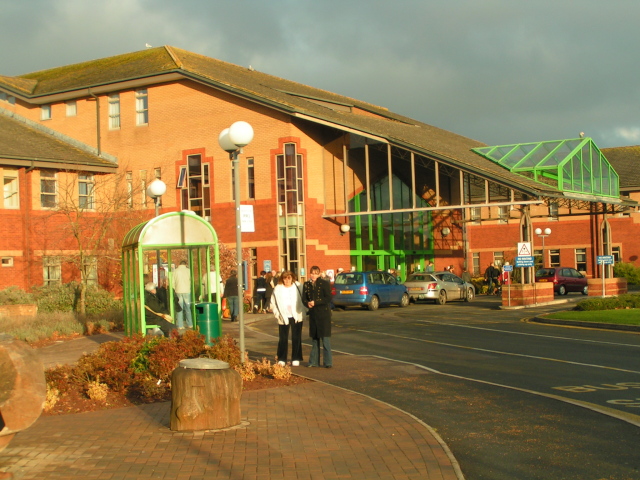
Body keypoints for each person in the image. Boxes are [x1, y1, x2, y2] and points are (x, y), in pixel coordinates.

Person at [270, 270, 305, 366]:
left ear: (292, 278)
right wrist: (277, 314)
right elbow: (273, 303)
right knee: (283, 338)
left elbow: (304, 298)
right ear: (282, 279)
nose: (287, 280)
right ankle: (282, 358)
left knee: (296, 337)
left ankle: (296, 358)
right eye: (285, 278)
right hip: (283, 316)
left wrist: (303, 310)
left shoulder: (298, 286)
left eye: (289, 278)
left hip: (296, 315)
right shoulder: (278, 289)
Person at [303, 265, 333, 368]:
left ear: (319, 274)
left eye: (316, 274)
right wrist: (308, 303)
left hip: (323, 314)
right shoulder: (306, 284)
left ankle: (328, 362)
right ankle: (313, 362)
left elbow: (328, 298)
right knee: (315, 340)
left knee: (325, 339)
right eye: (312, 273)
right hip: (313, 314)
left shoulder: (324, 283)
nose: (313, 276)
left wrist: (316, 302)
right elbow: (304, 298)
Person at [173, 260, 193, 329]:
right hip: (187, 291)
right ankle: (190, 324)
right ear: (185, 264)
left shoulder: (175, 271)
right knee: (188, 308)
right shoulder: (189, 271)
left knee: (179, 309)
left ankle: (180, 325)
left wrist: (174, 289)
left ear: (179, 264)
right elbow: (191, 280)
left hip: (178, 291)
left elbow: (173, 282)